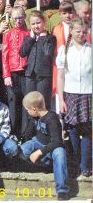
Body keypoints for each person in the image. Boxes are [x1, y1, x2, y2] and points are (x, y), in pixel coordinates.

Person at [56, 17, 92, 177]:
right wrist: (61, 99)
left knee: (86, 130)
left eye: (84, 32)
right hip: (69, 94)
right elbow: (61, 76)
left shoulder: (90, 50)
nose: (81, 34)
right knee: (72, 129)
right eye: (78, 31)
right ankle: (75, 163)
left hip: (88, 94)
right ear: (71, 31)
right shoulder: (64, 50)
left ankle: (85, 164)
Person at [20, 91, 70, 201]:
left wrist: (39, 152)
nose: (27, 112)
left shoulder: (52, 119)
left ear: (34, 109)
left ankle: (62, 190)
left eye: (28, 110)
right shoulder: (36, 116)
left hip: (53, 146)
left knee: (60, 154)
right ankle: (45, 165)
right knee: (23, 149)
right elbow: (28, 135)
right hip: (38, 142)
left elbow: (57, 141)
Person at [2, 7, 29, 139]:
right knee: (13, 102)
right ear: (11, 19)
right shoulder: (8, 34)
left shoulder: (29, 33)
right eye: (15, 18)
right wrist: (6, 75)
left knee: (25, 102)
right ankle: (12, 132)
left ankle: (24, 132)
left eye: (20, 17)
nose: (18, 20)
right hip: (12, 73)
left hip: (25, 72)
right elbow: (4, 55)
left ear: (24, 17)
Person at [19, 10, 56, 111]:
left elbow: (48, 53)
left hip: (43, 76)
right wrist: (31, 39)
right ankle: (31, 126)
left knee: (42, 102)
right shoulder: (28, 38)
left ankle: (43, 125)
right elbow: (22, 53)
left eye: (38, 22)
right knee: (30, 102)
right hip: (30, 75)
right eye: (33, 24)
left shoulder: (50, 38)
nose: (36, 26)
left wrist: (42, 39)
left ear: (44, 22)